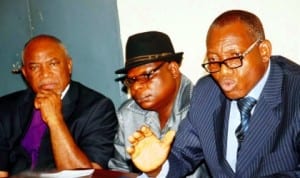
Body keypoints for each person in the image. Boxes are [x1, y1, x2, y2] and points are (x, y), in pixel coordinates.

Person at [126, 10, 300, 178]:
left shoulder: (295, 92)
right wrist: (156, 169)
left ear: (264, 51)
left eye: (234, 58)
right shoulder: (207, 91)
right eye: (214, 61)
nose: (223, 73)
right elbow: (183, 154)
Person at [0, 34, 118, 177]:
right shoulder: (6, 107)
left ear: (69, 65)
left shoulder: (97, 108)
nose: (45, 74)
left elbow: (84, 176)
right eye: (35, 67)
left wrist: (55, 120)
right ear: (25, 73)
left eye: (53, 64)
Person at [108, 31, 210, 178]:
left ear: (173, 69)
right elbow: (119, 170)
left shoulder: (203, 108)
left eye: (147, 75)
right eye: (132, 80)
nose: (136, 87)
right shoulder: (128, 113)